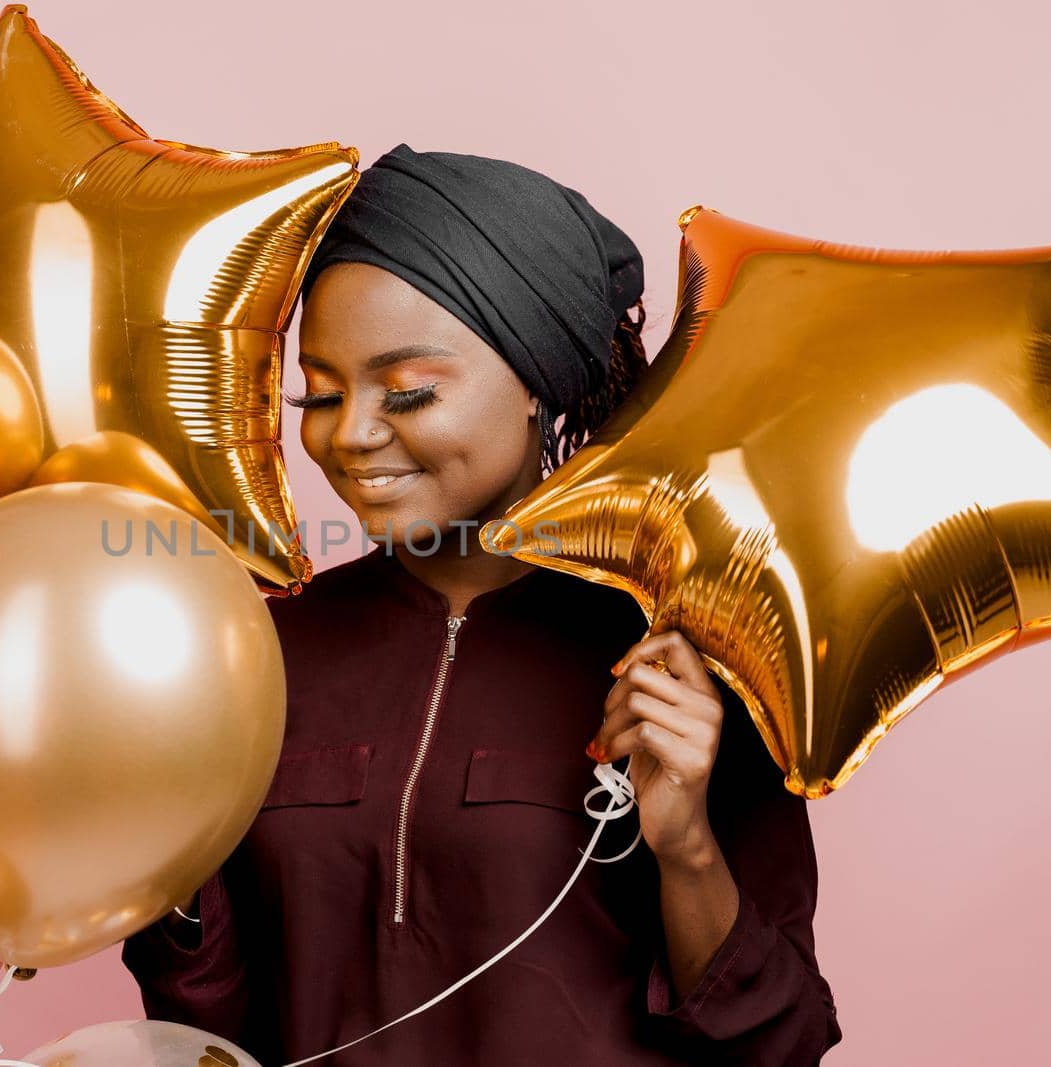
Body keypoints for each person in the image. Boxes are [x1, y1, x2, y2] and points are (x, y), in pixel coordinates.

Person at [120, 143, 842, 1064]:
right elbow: (210, 1031)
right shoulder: (257, 645)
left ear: (539, 382)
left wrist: (685, 845)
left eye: (408, 389)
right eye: (322, 392)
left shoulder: (684, 652)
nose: (352, 435)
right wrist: (159, 854)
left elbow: (782, 1042)